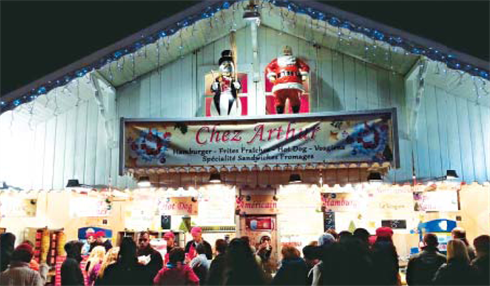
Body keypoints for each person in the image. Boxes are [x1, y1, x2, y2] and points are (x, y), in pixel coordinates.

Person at [265, 45, 310, 114]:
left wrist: (304, 75)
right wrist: (271, 75)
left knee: (295, 100)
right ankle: (280, 115)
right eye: (285, 51)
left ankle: (295, 115)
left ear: (291, 52)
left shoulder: (296, 60)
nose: (286, 52)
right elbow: (268, 67)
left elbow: (305, 67)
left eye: (288, 51)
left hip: (293, 84)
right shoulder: (277, 61)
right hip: (281, 84)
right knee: (279, 100)